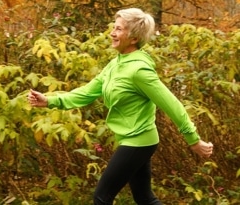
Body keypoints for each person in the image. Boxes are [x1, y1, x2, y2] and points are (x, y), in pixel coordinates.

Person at [28, 8, 213, 205]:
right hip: (132, 139)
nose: (112, 33)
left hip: (139, 140)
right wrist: (50, 100)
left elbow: (172, 105)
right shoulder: (116, 64)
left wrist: (193, 140)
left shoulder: (139, 70)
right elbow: (88, 92)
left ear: (133, 38)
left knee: (101, 198)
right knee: (144, 198)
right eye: (113, 28)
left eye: (119, 29)